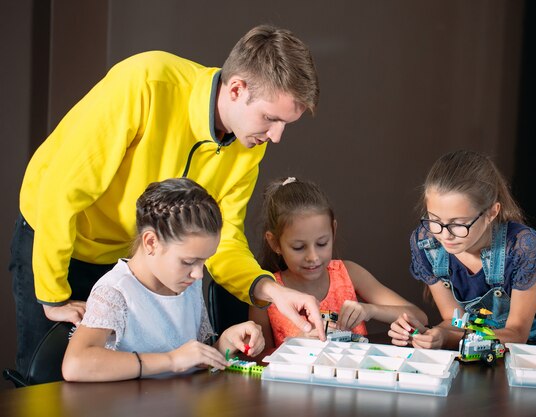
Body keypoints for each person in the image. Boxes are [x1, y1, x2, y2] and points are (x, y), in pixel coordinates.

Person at [10, 24, 323, 377]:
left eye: (286, 124)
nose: (276, 136)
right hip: (55, 239)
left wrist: (272, 291)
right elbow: (62, 189)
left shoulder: (249, 143)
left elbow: (226, 239)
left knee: (121, 379)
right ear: (236, 89)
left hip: (130, 255)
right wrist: (53, 295)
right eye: (271, 118)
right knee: (44, 382)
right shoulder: (146, 83)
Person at [62, 178, 264, 381]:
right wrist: (171, 359)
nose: (199, 274)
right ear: (151, 242)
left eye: (204, 261)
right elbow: (75, 365)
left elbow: (190, 361)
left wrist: (224, 343)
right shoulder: (115, 292)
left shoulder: (188, 283)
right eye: (188, 261)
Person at [389, 150, 536, 350]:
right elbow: (457, 322)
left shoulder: (522, 247)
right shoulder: (428, 244)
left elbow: (516, 335)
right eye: (435, 220)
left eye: (459, 224)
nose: (445, 235)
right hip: (480, 343)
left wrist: (448, 337)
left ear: (492, 212)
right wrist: (429, 334)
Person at [250, 177, 428, 348]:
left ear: (333, 231)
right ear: (275, 243)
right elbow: (260, 357)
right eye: (298, 247)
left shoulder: (348, 273)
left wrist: (370, 310)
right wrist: (298, 344)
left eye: (322, 243)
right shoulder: (266, 293)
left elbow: (420, 317)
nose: (313, 257)